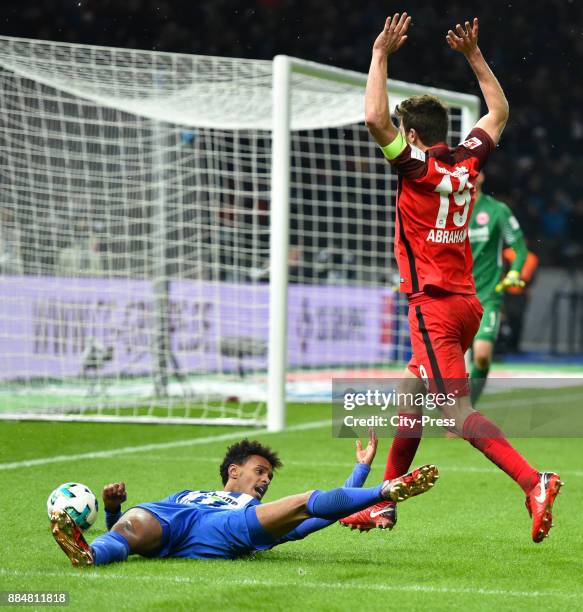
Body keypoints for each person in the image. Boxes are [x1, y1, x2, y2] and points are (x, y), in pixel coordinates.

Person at [339, 13, 562, 543]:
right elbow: (500, 109)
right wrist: (473, 56)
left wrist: (379, 54)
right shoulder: (466, 162)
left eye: (403, 131)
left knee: (454, 414)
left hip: (433, 305)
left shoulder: (416, 167)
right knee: (410, 398)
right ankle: (384, 502)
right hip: (466, 305)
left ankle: (534, 481)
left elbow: (373, 119)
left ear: (413, 136)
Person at [50, 433, 438, 566]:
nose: (266, 479)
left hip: (230, 529)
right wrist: (115, 509)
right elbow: (123, 532)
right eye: (260, 471)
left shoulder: (254, 509)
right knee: (135, 522)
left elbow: (320, 517)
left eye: (269, 475)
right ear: (234, 470)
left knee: (305, 501)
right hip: (178, 514)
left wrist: (361, 472)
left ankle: (385, 491)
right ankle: (89, 555)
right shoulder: (185, 491)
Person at [468, 172, 528, 405]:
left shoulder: (497, 210)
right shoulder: (447, 209)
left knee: (481, 356)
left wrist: (514, 272)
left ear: (482, 176)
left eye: (477, 169)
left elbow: (520, 248)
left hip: (487, 295)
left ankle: (466, 410)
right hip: (454, 295)